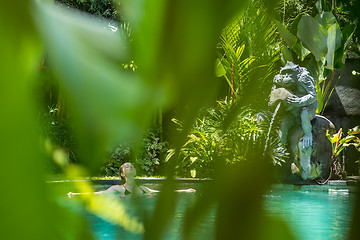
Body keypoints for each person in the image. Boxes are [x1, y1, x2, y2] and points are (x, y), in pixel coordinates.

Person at [68, 162, 196, 197]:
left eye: (132, 166)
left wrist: (185, 190)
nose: (131, 167)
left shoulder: (143, 189)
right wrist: (76, 194)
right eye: (127, 167)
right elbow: (98, 194)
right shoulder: (118, 189)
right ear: (122, 174)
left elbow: (162, 193)